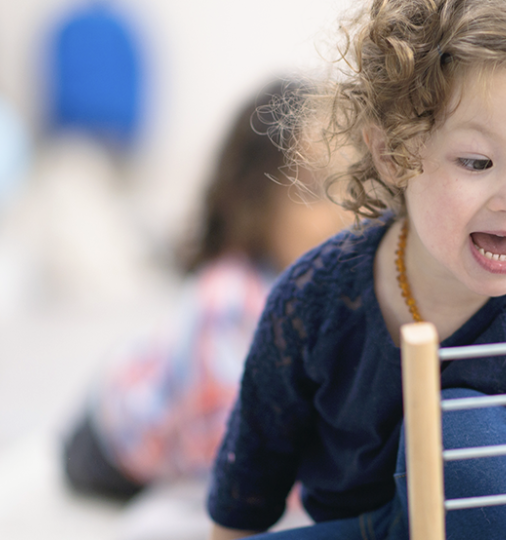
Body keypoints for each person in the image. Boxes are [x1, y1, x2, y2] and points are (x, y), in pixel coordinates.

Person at [206, 1, 506, 538]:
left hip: (503, 527)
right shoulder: (311, 298)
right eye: (477, 162)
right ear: (392, 155)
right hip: (368, 528)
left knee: (462, 427)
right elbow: (249, 479)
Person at [63, 79, 347, 500]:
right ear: (255, 198)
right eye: (313, 189)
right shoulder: (228, 304)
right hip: (112, 434)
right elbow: (232, 461)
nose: (341, 211)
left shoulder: (327, 282)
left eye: (348, 184)